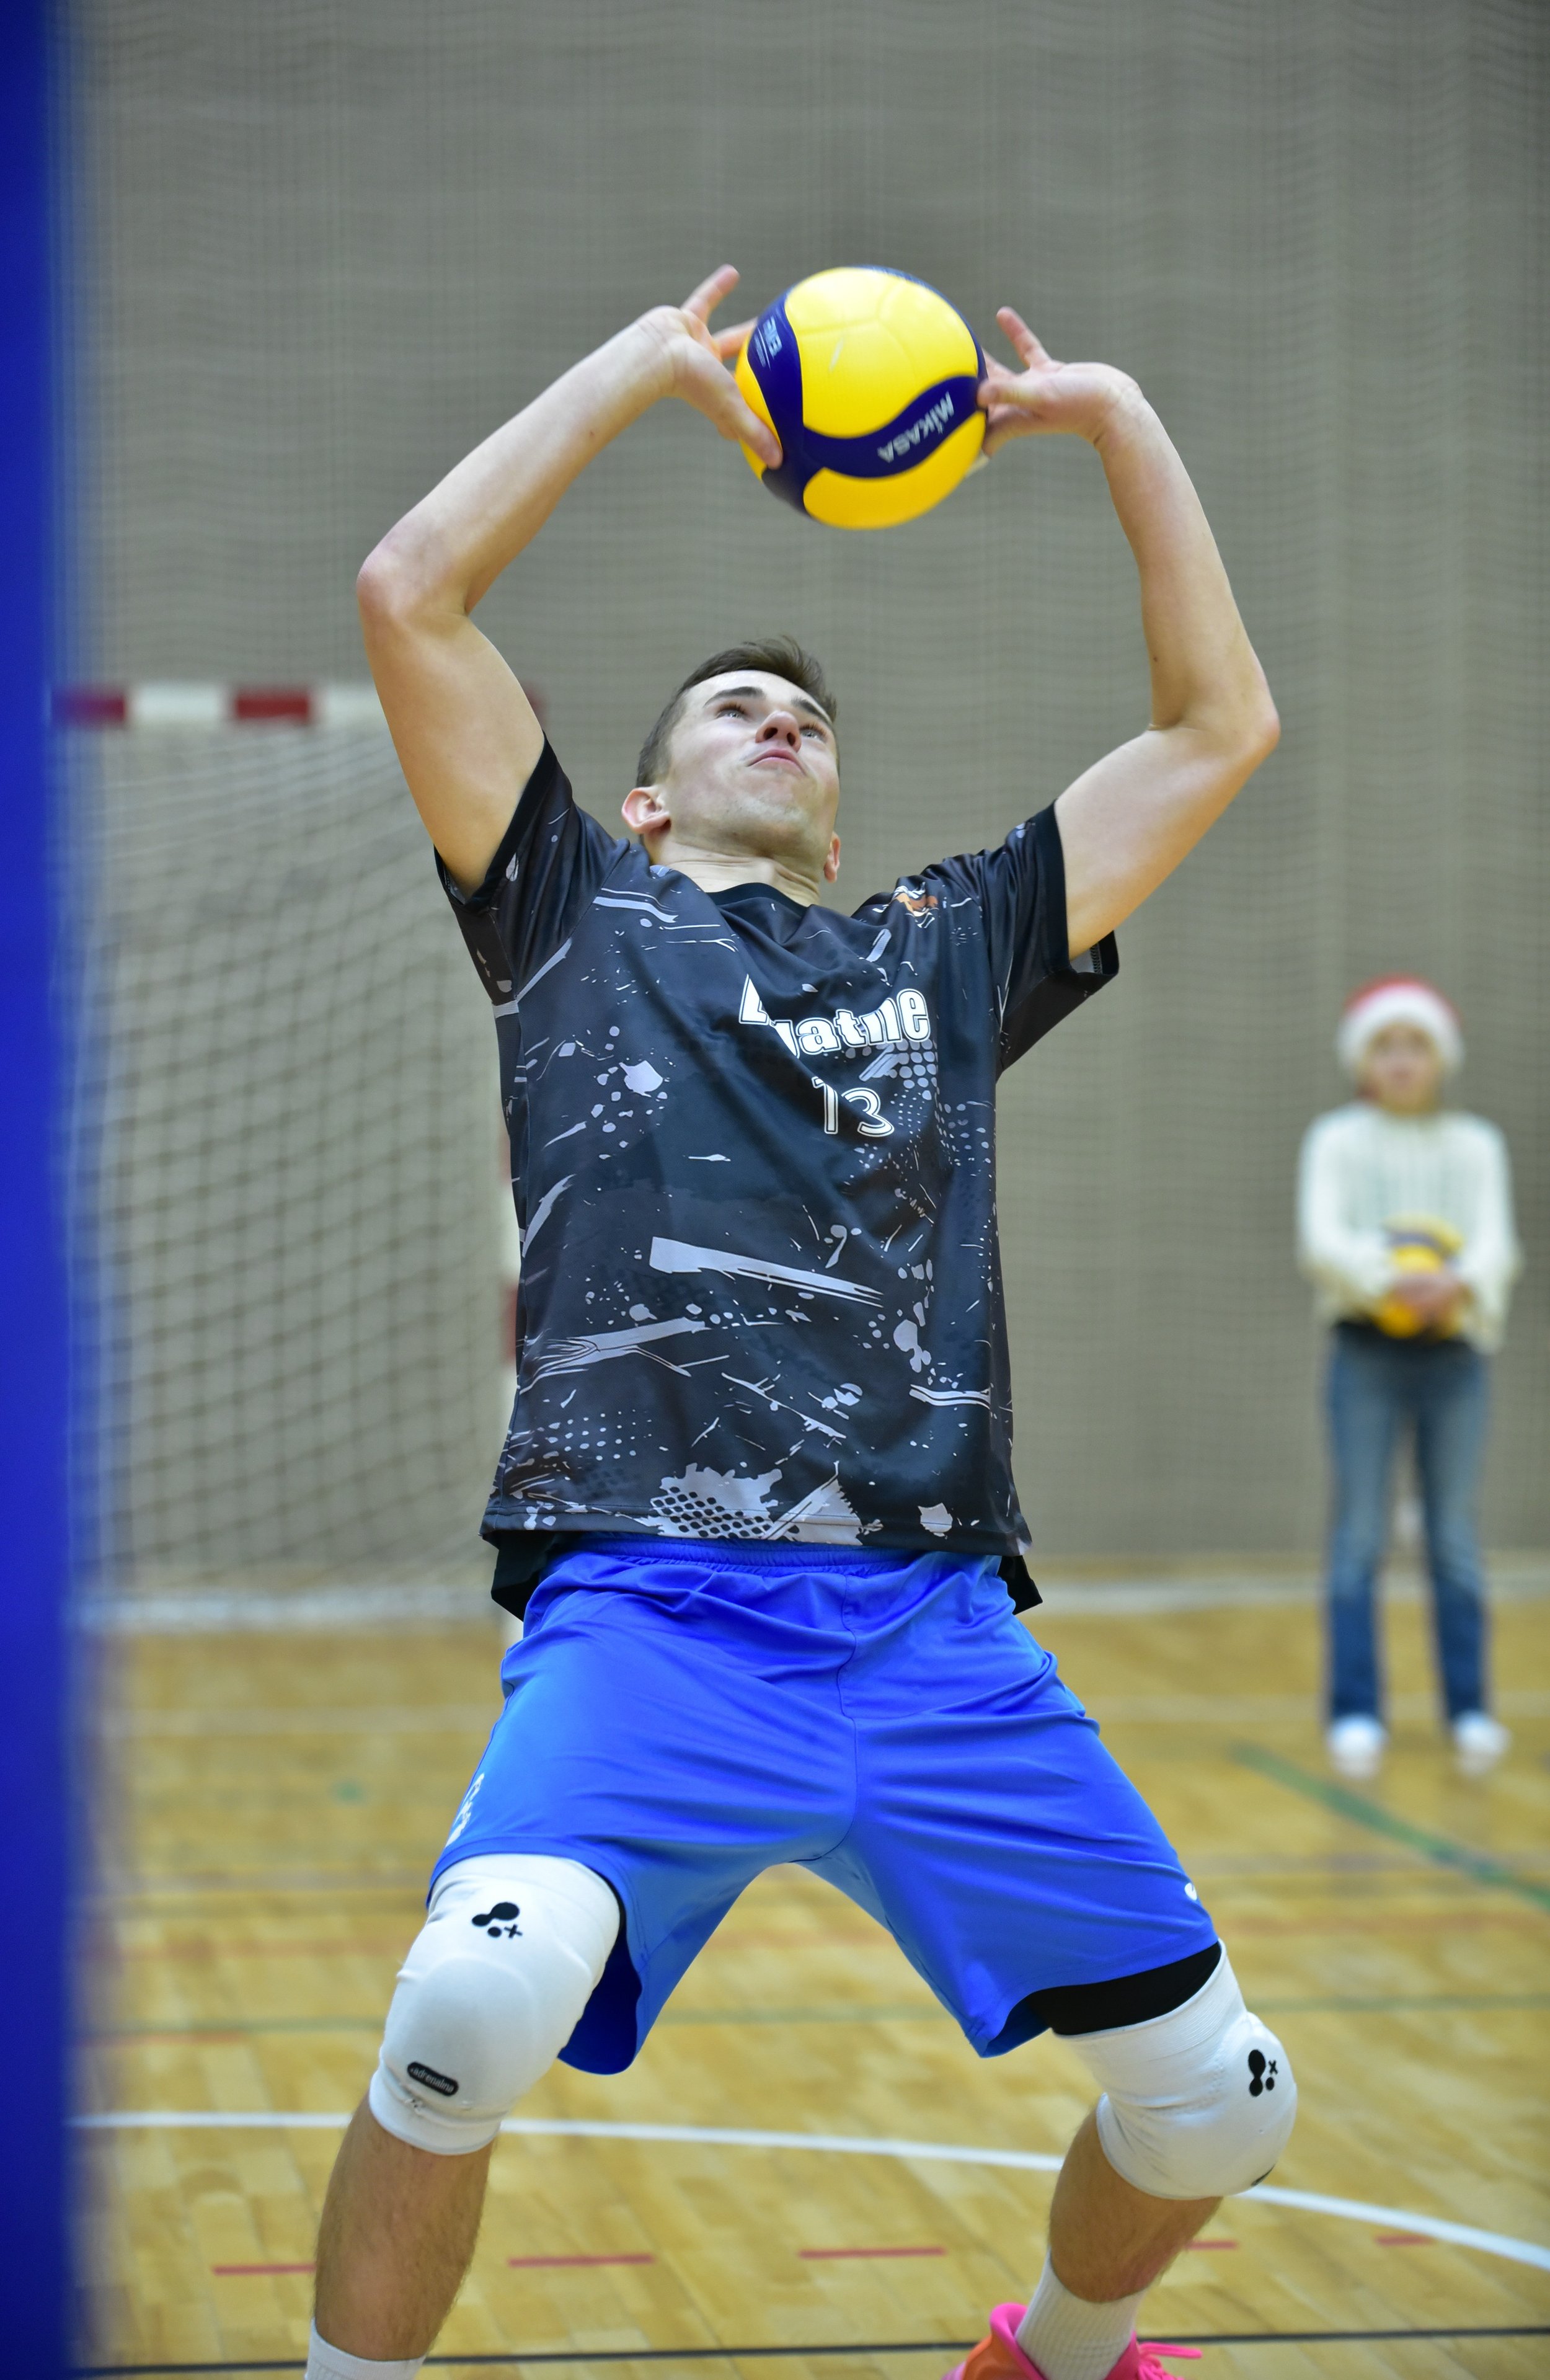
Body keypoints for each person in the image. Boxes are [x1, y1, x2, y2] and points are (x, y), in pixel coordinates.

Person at [307, 267, 1288, 2380]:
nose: (780, 718)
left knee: (1224, 2097)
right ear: (646, 799)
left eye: (807, 716)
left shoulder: (947, 946)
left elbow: (1218, 729)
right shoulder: (573, 911)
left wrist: (1117, 417)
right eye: (731, 703)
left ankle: (1056, 2353)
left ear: (835, 813)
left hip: (935, 1626)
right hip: (652, 1607)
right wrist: (646, 369)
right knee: (468, 2003)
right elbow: (409, 592)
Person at [1299, 977, 1521, 1782]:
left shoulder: (1477, 1144)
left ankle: (1469, 1708)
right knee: (1359, 1535)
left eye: (1416, 1045)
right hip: (1365, 1356)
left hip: (1455, 1357)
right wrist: (1391, 1279)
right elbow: (1322, 1240)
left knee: (1452, 1536)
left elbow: (1496, 1245)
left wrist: (1455, 1283)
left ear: (1441, 1058)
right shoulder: (1336, 1140)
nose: (1401, 1060)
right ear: (1363, 1058)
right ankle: (1355, 1710)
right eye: (1386, 1046)